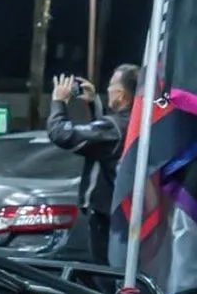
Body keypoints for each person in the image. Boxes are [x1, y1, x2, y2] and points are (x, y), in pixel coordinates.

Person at [47, 64, 138, 265]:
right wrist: (93, 103)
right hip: (126, 212)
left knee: (105, 273)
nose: (108, 89)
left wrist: (58, 101)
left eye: (112, 85)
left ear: (122, 95)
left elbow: (62, 134)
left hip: (108, 217)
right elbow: (104, 140)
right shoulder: (135, 122)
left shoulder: (115, 127)